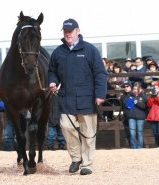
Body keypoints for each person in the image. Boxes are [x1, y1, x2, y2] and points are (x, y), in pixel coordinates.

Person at [48, 18, 108, 175]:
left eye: (70, 31)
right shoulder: (58, 52)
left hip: (87, 98)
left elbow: (100, 73)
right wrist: (53, 81)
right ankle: (76, 158)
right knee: (67, 128)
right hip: (66, 97)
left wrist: (100, 94)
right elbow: (52, 71)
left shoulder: (90, 50)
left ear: (78, 31)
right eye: (65, 31)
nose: (68, 34)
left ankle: (87, 163)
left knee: (88, 132)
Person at [126, 82, 147, 149]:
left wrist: (137, 102)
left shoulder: (143, 96)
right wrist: (129, 103)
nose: (134, 90)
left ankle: (139, 146)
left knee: (139, 133)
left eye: (136, 89)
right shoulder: (130, 95)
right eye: (134, 89)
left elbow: (144, 107)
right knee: (132, 133)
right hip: (132, 117)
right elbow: (129, 107)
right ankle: (133, 146)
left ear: (140, 89)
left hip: (140, 117)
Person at [146, 82, 159, 146]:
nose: (155, 89)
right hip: (153, 116)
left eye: (157, 88)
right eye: (155, 88)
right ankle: (156, 143)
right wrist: (152, 97)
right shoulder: (153, 96)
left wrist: (156, 96)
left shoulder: (156, 96)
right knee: (154, 132)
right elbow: (149, 104)